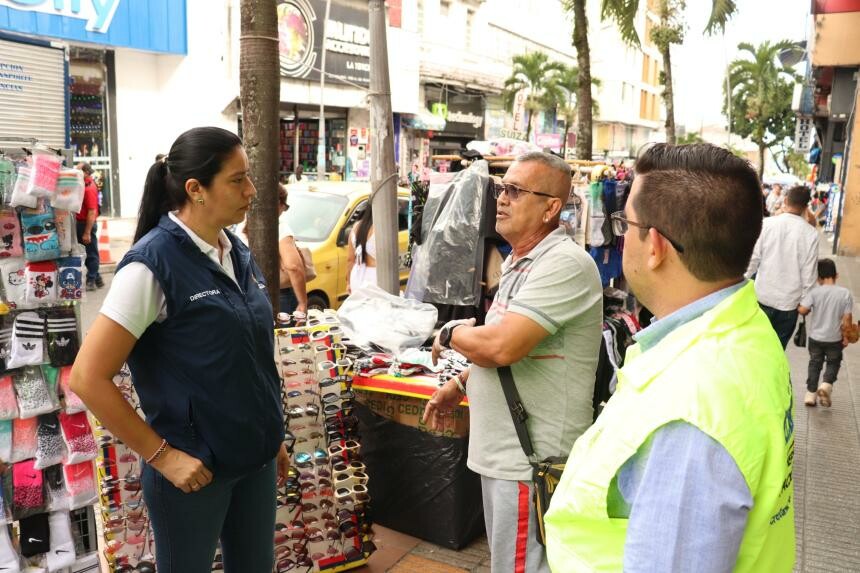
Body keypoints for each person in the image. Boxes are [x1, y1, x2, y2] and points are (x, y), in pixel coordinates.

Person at [545, 143, 795, 572]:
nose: (621, 236)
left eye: (626, 223)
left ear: (656, 246)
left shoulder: (693, 410)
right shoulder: (744, 330)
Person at [70, 127, 289, 573]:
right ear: (196, 189)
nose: (251, 191)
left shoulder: (234, 251)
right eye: (237, 179)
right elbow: (87, 378)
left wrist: (271, 433)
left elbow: (252, 357)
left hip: (255, 457)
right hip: (194, 471)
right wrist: (162, 455)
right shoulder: (152, 266)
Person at [422, 152, 603, 573]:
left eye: (516, 191)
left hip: (529, 461)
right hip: (508, 455)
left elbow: (502, 346)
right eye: (502, 189)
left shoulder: (564, 264)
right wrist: (463, 382)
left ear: (551, 207)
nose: (502, 199)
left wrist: (449, 333)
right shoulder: (522, 262)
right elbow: (520, 351)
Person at [747, 185, 819, 348]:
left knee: (755, 347)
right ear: (806, 206)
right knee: (778, 350)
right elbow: (810, 273)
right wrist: (806, 301)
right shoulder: (811, 234)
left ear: (785, 200)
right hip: (788, 305)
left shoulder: (767, 224)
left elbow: (753, 259)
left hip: (762, 297)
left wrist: (741, 284)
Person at [798, 258, 853, 407]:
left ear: (818, 277)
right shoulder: (845, 294)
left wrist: (806, 307)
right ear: (837, 275)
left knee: (815, 364)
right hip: (834, 339)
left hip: (816, 338)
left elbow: (802, 309)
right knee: (833, 363)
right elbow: (847, 318)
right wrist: (846, 337)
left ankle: (810, 394)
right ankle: (826, 385)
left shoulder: (815, 292)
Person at [276, 184, 308, 316]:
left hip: (250, 292)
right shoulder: (280, 227)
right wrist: (303, 302)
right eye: (285, 206)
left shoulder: (241, 225)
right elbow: (294, 267)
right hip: (281, 295)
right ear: (279, 203)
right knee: (285, 335)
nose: (284, 210)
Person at [75, 162, 102, 290]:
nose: (75, 172)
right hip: (81, 223)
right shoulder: (83, 185)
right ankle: (97, 278)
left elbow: (92, 212)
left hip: (86, 224)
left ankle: (91, 280)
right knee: (86, 252)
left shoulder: (89, 188)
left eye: (78, 170)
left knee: (90, 253)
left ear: (85, 172)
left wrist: (87, 232)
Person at [346, 206, 376, 293]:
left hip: (357, 276)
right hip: (375, 278)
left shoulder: (356, 226)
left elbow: (350, 260)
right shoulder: (381, 228)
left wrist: (348, 282)